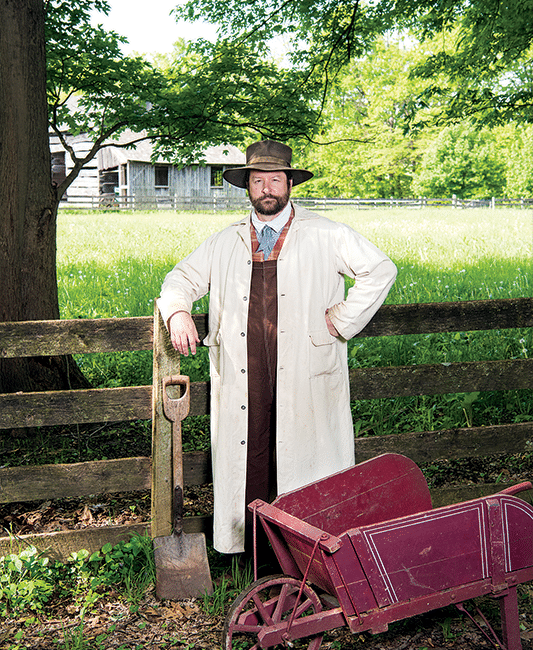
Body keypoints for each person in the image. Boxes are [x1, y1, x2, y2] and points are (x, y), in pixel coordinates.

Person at [158, 140, 397, 556]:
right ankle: (254, 555)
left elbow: (380, 269)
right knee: (250, 452)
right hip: (243, 369)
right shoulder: (225, 242)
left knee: (305, 456)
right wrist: (177, 312)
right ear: (247, 187)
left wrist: (340, 320)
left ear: (289, 184)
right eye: (257, 180)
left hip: (304, 365)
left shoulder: (326, 233)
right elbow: (180, 280)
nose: (267, 188)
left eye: (275, 179)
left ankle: (309, 553)